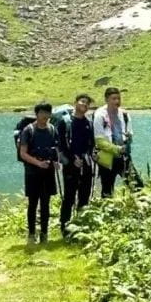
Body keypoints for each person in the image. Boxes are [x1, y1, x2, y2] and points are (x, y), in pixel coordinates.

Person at [18, 102, 60, 242]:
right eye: (42, 112)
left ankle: (44, 234)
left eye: (47, 113)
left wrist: (55, 162)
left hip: (48, 171)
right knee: (33, 203)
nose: (45, 116)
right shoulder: (28, 130)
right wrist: (38, 163)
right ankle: (31, 234)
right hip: (32, 172)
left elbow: (56, 149)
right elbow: (23, 153)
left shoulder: (52, 129)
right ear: (37, 114)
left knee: (46, 203)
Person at [57, 93, 95, 235]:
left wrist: (90, 155)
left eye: (87, 104)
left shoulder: (88, 123)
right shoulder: (65, 122)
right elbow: (61, 144)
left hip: (86, 163)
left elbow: (92, 144)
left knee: (84, 195)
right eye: (82, 102)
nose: (85, 105)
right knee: (69, 196)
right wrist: (73, 158)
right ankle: (65, 227)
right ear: (75, 103)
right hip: (70, 165)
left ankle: (81, 225)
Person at [93, 88, 141, 197]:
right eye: (114, 99)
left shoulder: (124, 114)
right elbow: (99, 141)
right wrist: (116, 149)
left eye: (119, 98)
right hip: (107, 158)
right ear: (106, 99)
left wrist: (128, 137)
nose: (117, 101)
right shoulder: (99, 115)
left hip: (123, 156)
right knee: (107, 191)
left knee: (137, 186)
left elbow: (130, 133)